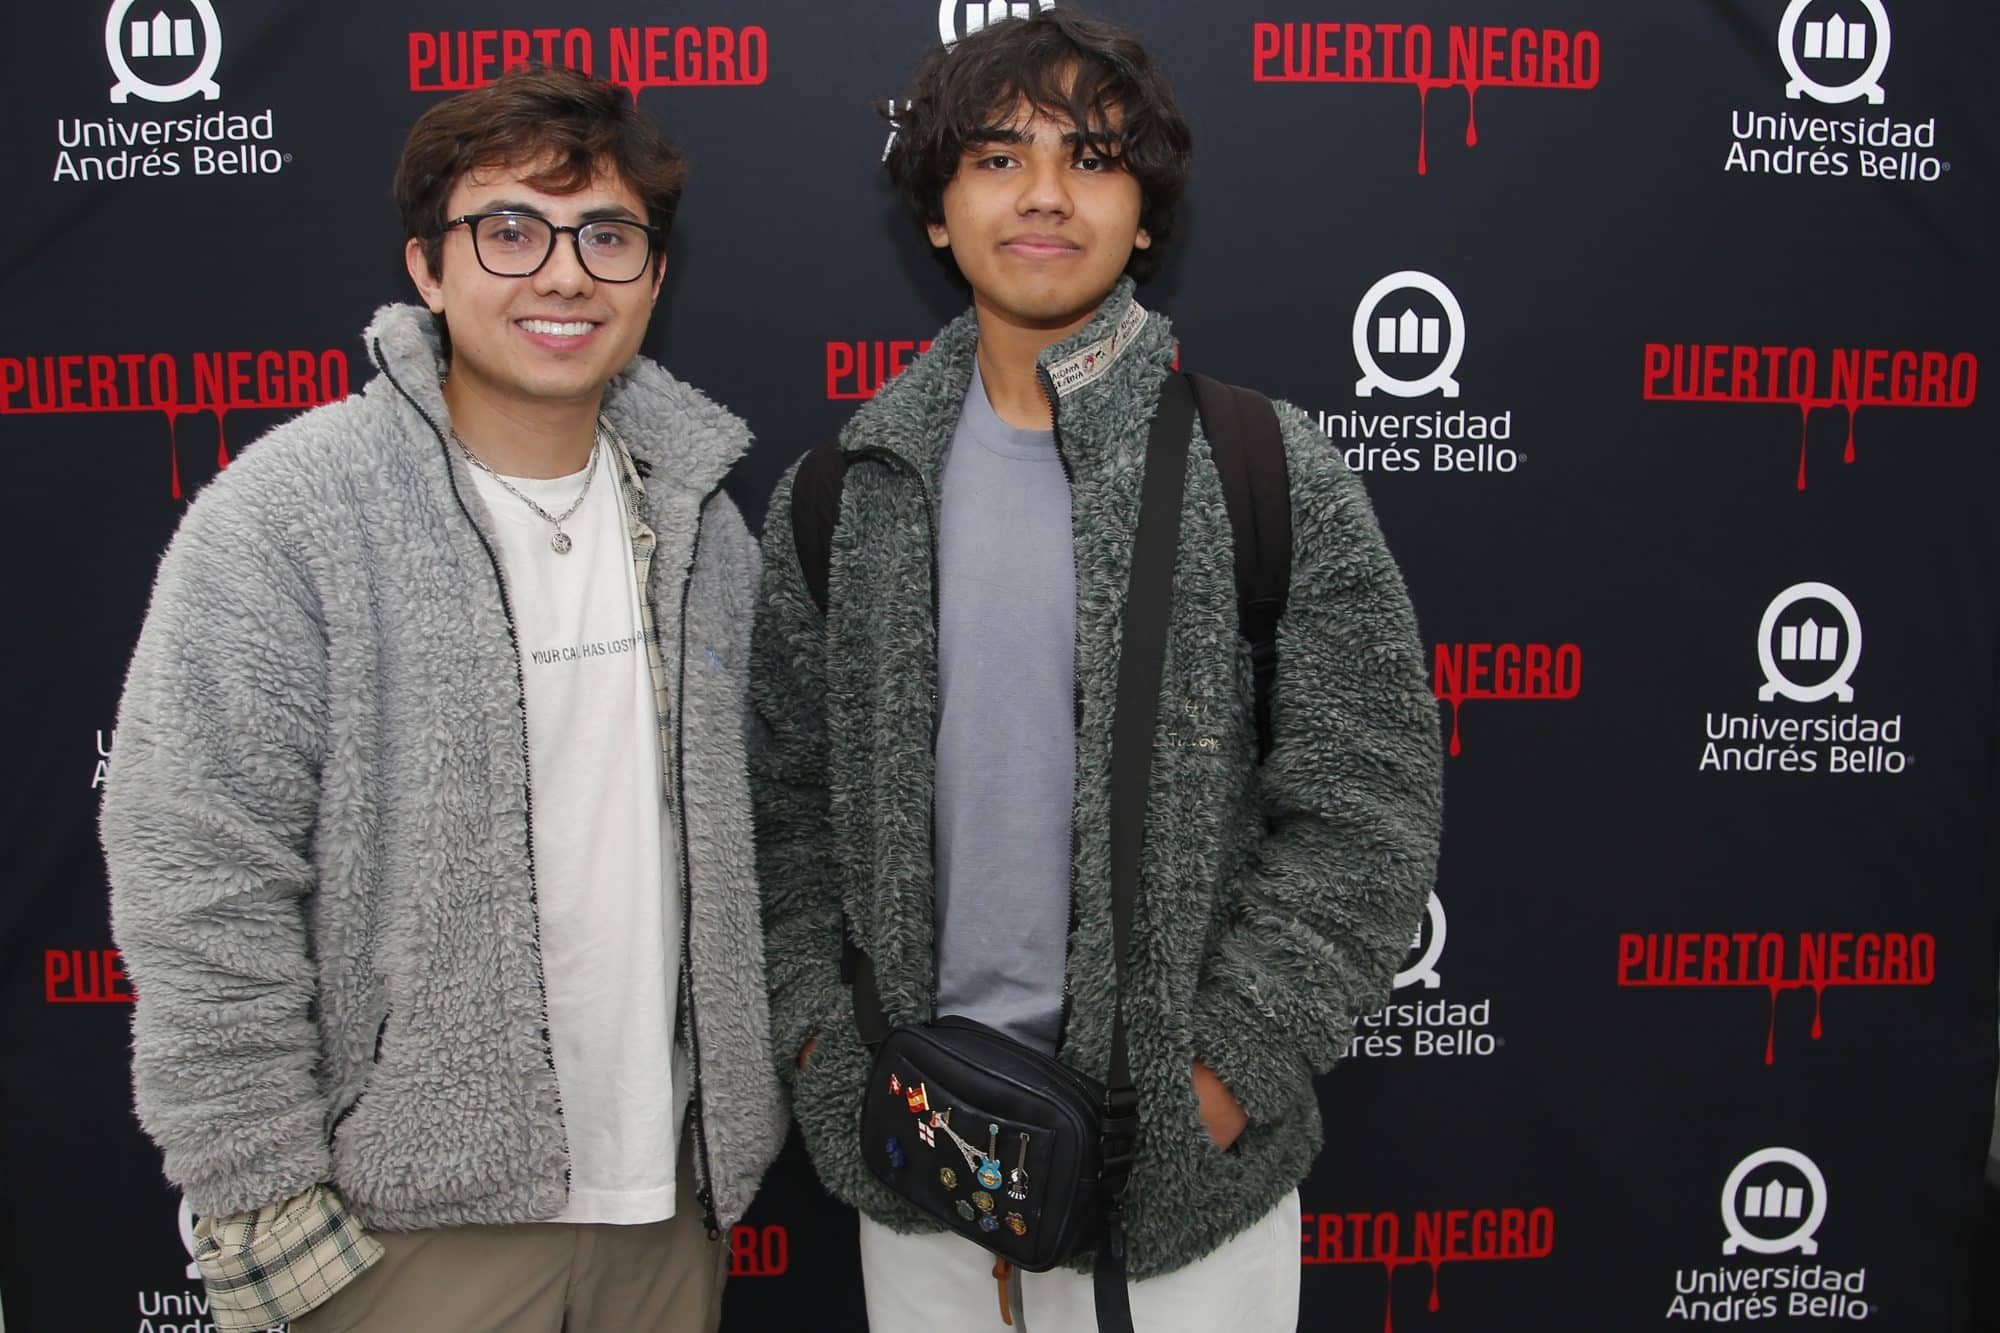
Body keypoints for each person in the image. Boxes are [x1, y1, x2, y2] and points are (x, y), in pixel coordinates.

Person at [750, 9, 1443, 1330]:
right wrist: (829, 1053)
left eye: (1092, 156)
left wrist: (1216, 1083)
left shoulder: (1262, 467)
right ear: (938, 212)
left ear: (1144, 216)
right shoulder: (843, 495)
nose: (1045, 194)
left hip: (1180, 1196)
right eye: (997, 158)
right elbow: (781, 812)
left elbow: (1367, 805)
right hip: (921, 1164)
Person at [100, 65, 780, 1333]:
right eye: (510, 230)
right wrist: (265, 1201)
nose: (563, 275)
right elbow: (197, 869)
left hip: (667, 1213)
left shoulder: (702, 527)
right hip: (405, 1233)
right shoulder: (289, 515)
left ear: (652, 278)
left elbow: (766, 843)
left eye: (607, 236)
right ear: (427, 267)